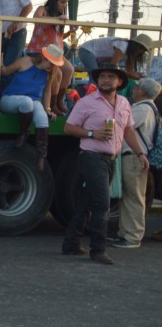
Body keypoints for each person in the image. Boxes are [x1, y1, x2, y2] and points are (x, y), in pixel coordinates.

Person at [62, 64, 149, 264]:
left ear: (119, 82)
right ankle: (98, 250)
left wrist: (140, 153)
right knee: (102, 205)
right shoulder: (86, 102)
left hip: (111, 159)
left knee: (86, 203)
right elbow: (69, 127)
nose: (106, 80)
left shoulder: (125, 103)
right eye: (102, 76)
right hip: (91, 157)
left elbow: (128, 131)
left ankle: (71, 244)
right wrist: (93, 133)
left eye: (111, 77)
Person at [112, 77, 161, 249]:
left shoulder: (143, 109)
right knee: (128, 198)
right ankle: (124, 233)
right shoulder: (148, 109)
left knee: (134, 198)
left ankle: (132, 237)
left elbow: (122, 124)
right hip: (133, 157)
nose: (134, 89)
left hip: (134, 156)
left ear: (144, 92)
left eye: (137, 87)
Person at [0, 44, 65, 170]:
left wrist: (48, 109)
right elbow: (5, 72)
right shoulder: (26, 61)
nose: (52, 66)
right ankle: (24, 133)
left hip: (31, 102)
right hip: (10, 98)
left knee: (42, 116)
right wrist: (0, 63)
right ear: (44, 58)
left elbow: (47, 91)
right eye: (51, 63)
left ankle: (41, 155)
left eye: (54, 64)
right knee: (27, 101)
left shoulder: (50, 73)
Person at [27, 0, 76, 114]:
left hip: (54, 51)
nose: (64, 5)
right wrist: (56, 19)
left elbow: (57, 37)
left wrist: (70, 32)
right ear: (54, 1)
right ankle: (52, 104)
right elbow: (36, 17)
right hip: (40, 49)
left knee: (69, 70)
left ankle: (59, 100)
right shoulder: (43, 9)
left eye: (66, 3)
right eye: (62, 2)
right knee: (58, 74)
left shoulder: (61, 17)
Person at [76, 34, 152, 84]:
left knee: (99, 77)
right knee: (96, 76)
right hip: (87, 50)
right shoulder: (123, 45)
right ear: (134, 44)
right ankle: (91, 98)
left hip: (93, 54)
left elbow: (130, 70)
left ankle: (94, 96)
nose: (141, 51)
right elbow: (113, 65)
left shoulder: (129, 54)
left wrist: (133, 74)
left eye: (143, 50)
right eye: (140, 47)